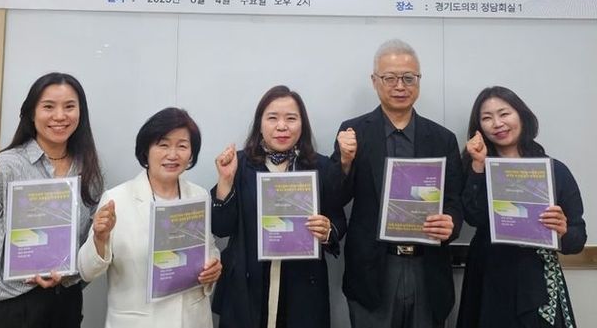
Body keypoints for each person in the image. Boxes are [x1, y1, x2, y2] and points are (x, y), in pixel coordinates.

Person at [333, 39, 464, 328]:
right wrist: (344, 161)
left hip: (428, 269)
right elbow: (336, 198)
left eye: (409, 78)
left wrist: (451, 223)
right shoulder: (353, 132)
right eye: (390, 78)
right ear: (374, 81)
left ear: (419, 80)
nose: (400, 86)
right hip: (373, 272)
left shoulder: (442, 138)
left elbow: (454, 201)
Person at [0, 72, 103, 328]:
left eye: (69, 106)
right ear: (31, 113)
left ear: (81, 114)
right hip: (7, 307)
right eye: (49, 107)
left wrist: (69, 274)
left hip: (64, 303)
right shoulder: (5, 166)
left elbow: (87, 246)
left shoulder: (87, 170)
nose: (60, 116)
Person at [211, 85, 347, 328]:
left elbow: (338, 220)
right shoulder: (239, 164)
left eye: (291, 118)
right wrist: (225, 180)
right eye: (272, 118)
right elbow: (221, 228)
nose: (282, 126)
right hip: (247, 286)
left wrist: (327, 231)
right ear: (260, 124)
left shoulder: (320, 166)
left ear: (302, 125)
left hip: (302, 287)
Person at [77, 107, 222, 328]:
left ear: (191, 153)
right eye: (163, 145)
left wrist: (213, 266)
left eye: (182, 146)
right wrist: (99, 238)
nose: (172, 154)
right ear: (146, 149)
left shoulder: (198, 195)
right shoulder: (117, 199)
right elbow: (86, 271)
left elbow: (209, 249)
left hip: (192, 320)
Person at [457, 86, 586, 328]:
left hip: (537, 279)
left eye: (504, 113)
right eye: (487, 118)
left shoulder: (554, 170)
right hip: (489, 276)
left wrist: (562, 231)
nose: (497, 123)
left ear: (521, 116)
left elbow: (577, 240)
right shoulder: (474, 167)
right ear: (479, 126)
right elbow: (473, 216)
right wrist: (478, 165)